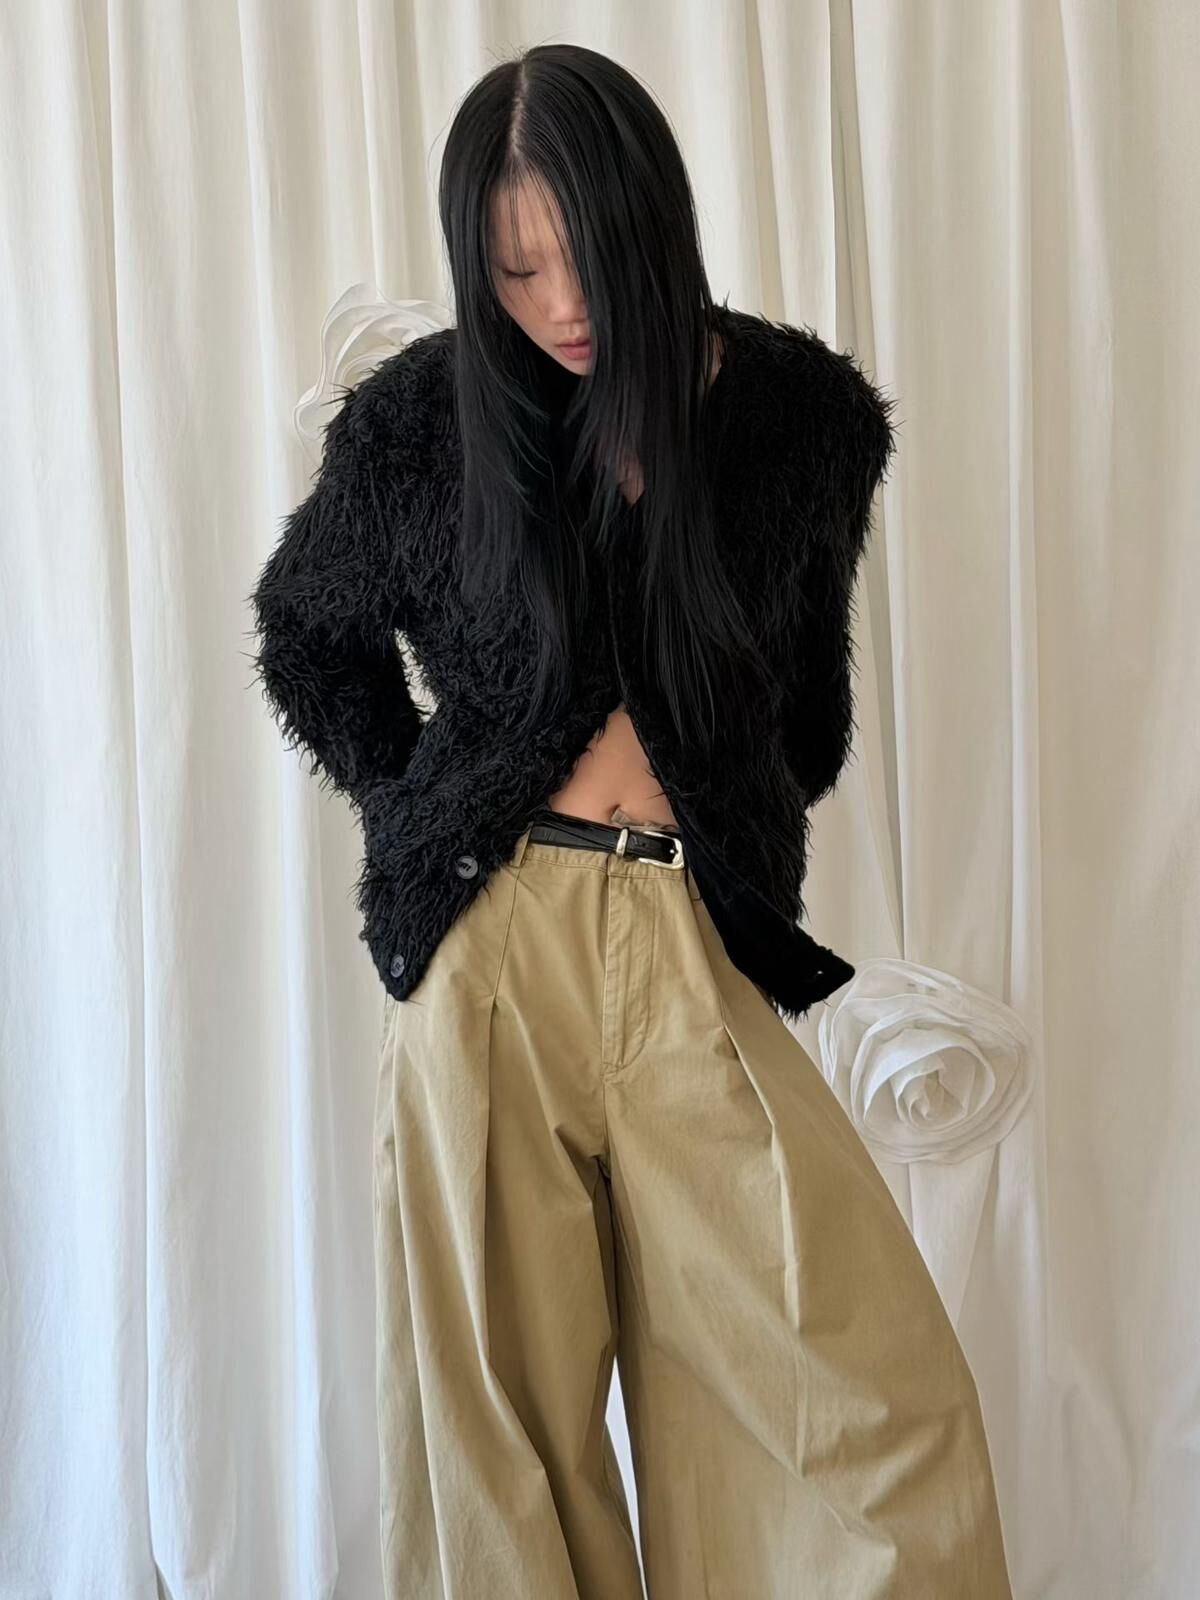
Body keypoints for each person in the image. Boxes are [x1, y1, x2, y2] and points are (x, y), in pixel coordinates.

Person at [248, 40, 1013, 1600]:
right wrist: (418, 811)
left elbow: (809, 703)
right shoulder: (421, 423)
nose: (558, 302)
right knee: (498, 1444)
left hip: (689, 941)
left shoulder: (800, 418)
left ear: (652, 216)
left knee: (864, 1418)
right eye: (513, 270)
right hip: (491, 952)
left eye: (582, 255)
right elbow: (305, 630)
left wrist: (727, 811)